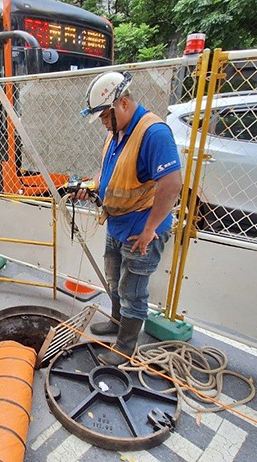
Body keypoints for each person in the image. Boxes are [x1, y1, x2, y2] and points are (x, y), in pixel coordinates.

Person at [78, 71, 183, 366]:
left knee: (132, 290)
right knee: (114, 279)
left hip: (142, 231)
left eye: (105, 116)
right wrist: (92, 187)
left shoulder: (154, 133)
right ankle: (116, 321)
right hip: (118, 224)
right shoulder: (117, 132)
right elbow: (109, 171)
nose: (103, 123)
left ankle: (125, 348)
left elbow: (172, 184)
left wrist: (150, 230)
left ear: (122, 103)